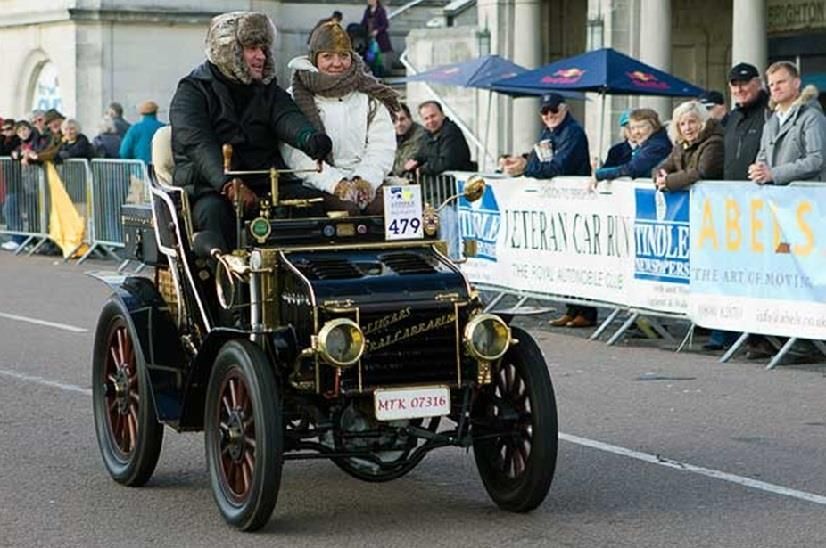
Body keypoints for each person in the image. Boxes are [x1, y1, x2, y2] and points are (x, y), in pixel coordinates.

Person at [170, 11, 332, 252]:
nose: (261, 56)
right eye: (252, 48)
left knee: (310, 203)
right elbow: (197, 143)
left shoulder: (267, 88)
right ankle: (223, 274)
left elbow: (286, 116)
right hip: (209, 187)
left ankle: (306, 270)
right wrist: (228, 184)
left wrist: (309, 138)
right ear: (229, 50)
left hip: (265, 182)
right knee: (214, 214)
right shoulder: (192, 91)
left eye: (264, 49)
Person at [281, 20, 398, 215]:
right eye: (328, 56)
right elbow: (295, 154)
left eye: (344, 55)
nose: (337, 63)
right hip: (315, 186)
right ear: (314, 59)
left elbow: (382, 146)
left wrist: (364, 180)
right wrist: (336, 183)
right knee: (346, 211)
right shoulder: (295, 97)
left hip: (368, 182)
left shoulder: (370, 96)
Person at [712, 62, 771, 354]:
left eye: (745, 83)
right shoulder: (732, 118)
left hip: (764, 205)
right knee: (736, 271)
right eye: (734, 84)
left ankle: (762, 336)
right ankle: (734, 331)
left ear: (758, 83)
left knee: (761, 272)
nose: (740, 89)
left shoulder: (769, 112)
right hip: (732, 207)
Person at [748, 61, 826, 185]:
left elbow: (817, 160)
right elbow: (762, 157)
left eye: (781, 82)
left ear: (796, 83)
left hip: (805, 194)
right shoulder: (770, 122)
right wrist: (758, 170)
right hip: (774, 194)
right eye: (771, 84)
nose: (775, 88)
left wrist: (773, 174)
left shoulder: (812, 117)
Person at [500, 93, 591, 180]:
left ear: (565, 109)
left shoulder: (573, 132)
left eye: (554, 110)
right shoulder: (547, 132)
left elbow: (559, 168)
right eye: (545, 112)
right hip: (554, 188)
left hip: (573, 188)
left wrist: (525, 167)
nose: (550, 115)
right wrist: (518, 161)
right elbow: (538, 157)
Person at [654, 100, 723, 191]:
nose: (687, 128)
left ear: (702, 122)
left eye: (692, 122)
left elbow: (702, 172)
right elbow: (663, 166)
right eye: (682, 124)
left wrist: (669, 181)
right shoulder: (680, 146)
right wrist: (659, 175)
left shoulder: (715, 142)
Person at [594, 108, 672, 181]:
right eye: (632, 128)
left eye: (641, 126)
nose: (635, 132)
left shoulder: (657, 146)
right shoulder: (644, 144)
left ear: (654, 126)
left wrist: (599, 174)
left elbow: (632, 169)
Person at [405, 101, 474, 175]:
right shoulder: (427, 135)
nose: (430, 121)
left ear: (442, 115)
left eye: (433, 116)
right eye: (426, 118)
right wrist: (414, 162)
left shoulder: (451, 132)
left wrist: (422, 170)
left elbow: (447, 162)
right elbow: (422, 155)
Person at [119, 100, 165, 169]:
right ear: (156, 112)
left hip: (141, 169)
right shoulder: (163, 128)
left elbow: (124, 152)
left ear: (141, 114)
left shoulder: (135, 128)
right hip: (160, 169)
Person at [392, 102, 426, 177]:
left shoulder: (420, 136)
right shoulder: (392, 136)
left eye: (402, 119)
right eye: (394, 120)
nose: (399, 124)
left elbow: (406, 164)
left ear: (410, 118)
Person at [360, 0, 392, 77]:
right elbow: (363, 22)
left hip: (379, 38)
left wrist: (377, 31)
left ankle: (378, 75)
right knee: (370, 57)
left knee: (377, 58)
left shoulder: (381, 10)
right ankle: (371, 74)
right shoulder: (367, 11)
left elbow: (385, 24)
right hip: (369, 37)